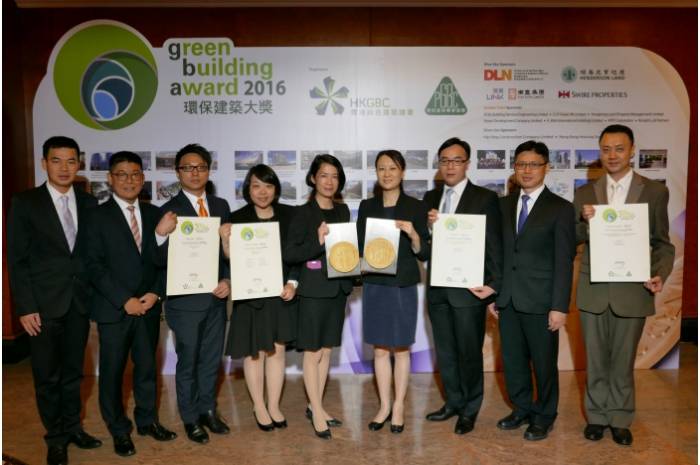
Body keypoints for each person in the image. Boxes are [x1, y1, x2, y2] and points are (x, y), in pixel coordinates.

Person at [574, 124, 674, 446]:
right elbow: (574, 238)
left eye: (619, 148)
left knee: (623, 359)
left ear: (632, 150)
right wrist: (585, 223)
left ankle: (619, 417)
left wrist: (659, 273)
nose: (612, 155)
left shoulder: (654, 192)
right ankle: (596, 416)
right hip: (594, 288)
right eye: (606, 149)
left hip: (632, 289)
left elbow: (662, 243)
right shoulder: (584, 193)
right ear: (599, 153)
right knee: (595, 359)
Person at [7, 136, 101, 465]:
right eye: (56, 160)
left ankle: (73, 427)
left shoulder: (89, 203)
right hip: (42, 306)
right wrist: (25, 307)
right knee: (48, 377)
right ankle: (56, 438)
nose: (64, 167)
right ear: (44, 163)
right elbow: (17, 260)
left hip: (78, 303)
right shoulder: (25, 202)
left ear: (79, 164)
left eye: (71, 161)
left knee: (74, 373)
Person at [85, 151, 177, 457]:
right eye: (122, 174)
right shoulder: (96, 216)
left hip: (148, 307)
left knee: (147, 368)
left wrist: (155, 293)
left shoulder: (154, 214)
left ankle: (147, 421)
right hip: (115, 309)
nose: (129, 180)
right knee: (112, 374)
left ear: (143, 178)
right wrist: (124, 300)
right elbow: (94, 265)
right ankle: (119, 430)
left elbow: (163, 262)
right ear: (110, 179)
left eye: (135, 174)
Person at [488, 141, 575, 441]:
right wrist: (495, 293)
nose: (527, 170)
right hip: (508, 299)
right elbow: (498, 254)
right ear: (514, 168)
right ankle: (522, 408)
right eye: (521, 164)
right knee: (513, 362)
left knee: (544, 364)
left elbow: (564, 261)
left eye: (534, 165)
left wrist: (559, 306)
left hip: (542, 302)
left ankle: (545, 415)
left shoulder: (561, 208)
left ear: (546, 168)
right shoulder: (503, 205)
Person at [422, 137, 503, 435]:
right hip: (438, 289)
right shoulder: (430, 197)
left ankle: (470, 408)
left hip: (469, 290)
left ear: (467, 164)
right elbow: (424, 246)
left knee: (469, 352)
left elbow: (494, 245)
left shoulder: (485, 198)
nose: (450, 166)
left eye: (456, 160)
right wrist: (429, 228)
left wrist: (494, 285)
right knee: (445, 351)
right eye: (445, 160)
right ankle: (453, 402)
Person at [154, 143, 231, 444]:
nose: (194, 173)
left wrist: (228, 280)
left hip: (216, 299)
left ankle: (207, 410)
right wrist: (160, 234)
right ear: (178, 173)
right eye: (188, 168)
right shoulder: (167, 211)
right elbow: (157, 259)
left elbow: (229, 253)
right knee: (188, 361)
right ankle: (190, 418)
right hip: (184, 301)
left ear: (208, 171)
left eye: (200, 167)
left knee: (211, 360)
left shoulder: (221, 206)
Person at [218, 164, 298, 431]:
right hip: (249, 295)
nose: (262, 192)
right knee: (254, 353)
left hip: (279, 295)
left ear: (276, 189)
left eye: (268, 186)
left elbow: (297, 255)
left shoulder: (289, 216)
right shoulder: (237, 218)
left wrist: (292, 282)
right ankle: (258, 405)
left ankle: (274, 405)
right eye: (256, 186)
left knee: (276, 351)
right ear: (247, 189)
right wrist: (225, 241)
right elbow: (229, 259)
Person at [356, 150, 429, 434]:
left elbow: (423, 252)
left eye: (393, 168)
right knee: (379, 349)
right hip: (375, 284)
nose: (387, 174)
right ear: (376, 173)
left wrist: (413, 234)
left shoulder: (416, 207)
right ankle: (384, 406)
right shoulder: (367, 206)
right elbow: (359, 245)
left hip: (402, 285)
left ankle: (399, 406)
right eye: (381, 168)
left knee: (401, 348)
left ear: (403, 172)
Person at [284, 154, 352, 440]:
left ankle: (317, 406)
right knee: (312, 353)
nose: (329, 181)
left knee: (326, 352)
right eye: (324, 175)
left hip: (337, 290)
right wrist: (318, 241)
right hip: (312, 291)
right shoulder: (301, 213)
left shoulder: (343, 211)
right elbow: (291, 254)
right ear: (313, 178)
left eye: (334, 176)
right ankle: (317, 412)